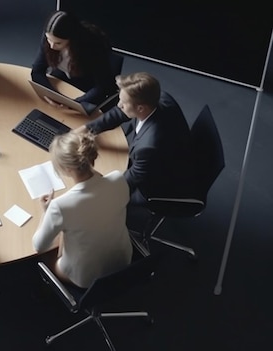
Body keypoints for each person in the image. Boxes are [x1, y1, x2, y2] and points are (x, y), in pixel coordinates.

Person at [74, 72, 191, 206]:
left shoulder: (148, 146)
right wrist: (87, 129)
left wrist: (91, 180)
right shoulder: (157, 98)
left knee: (95, 200)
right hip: (162, 158)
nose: (118, 105)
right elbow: (119, 113)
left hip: (157, 184)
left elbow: (127, 183)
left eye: (123, 102)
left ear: (140, 108)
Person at [32, 132, 132, 288]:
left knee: (47, 256)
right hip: (123, 261)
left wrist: (45, 212)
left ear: (66, 169)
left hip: (87, 276)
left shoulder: (60, 206)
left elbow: (39, 246)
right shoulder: (118, 179)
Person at [31, 11, 116, 111]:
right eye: (49, 40)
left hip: (86, 84)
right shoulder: (51, 37)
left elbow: (103, 86)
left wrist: (74, 104)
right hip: (64, 76)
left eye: (58, 43)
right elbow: (37, 70)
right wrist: (51, 95)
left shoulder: (93, 46)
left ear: (72, 38)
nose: (52, 46)